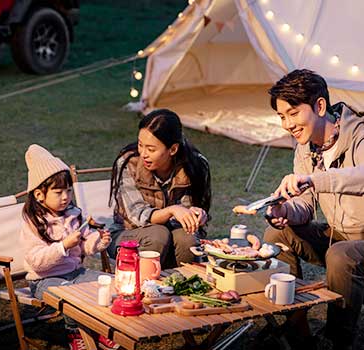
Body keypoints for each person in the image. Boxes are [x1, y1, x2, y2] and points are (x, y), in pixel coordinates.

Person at [235, 69, 364, 350]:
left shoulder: (359, 134)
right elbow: (305, 205)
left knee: (341, 254)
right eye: (282, 116)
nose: (287, 124)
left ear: (319, 106)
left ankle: (337, 340)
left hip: (357, 242)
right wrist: (285, 212)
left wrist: (314, 179)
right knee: (276, 235)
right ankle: (297, 328)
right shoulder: (306, 147)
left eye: (293, 113)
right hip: (338, 234)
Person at [20, 144, 117, 350]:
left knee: (112, 284)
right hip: (45, 280)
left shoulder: (73, 213)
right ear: (39, 195)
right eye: (58, 192)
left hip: (75, 273)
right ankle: (75, 333)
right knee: (74, 296)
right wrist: (63, 246)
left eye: (68, 190)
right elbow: (35, 260)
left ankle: (101, 329)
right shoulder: (32, 222)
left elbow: (86, 242)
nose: (65, 196)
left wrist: (99, 241)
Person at [107, 109, 211, 269]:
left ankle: (180, 286)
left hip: (171, 233)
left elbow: (188, 213)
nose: (143, 154)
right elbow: (137, 216)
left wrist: (195, 216)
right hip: (127, 234)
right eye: (141, 145)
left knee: (188, 239)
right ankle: (141, 286)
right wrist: (172, 210)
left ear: (173, 149)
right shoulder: (128, 163)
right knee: (157, 234)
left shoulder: (193, 166)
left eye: (151, 149)